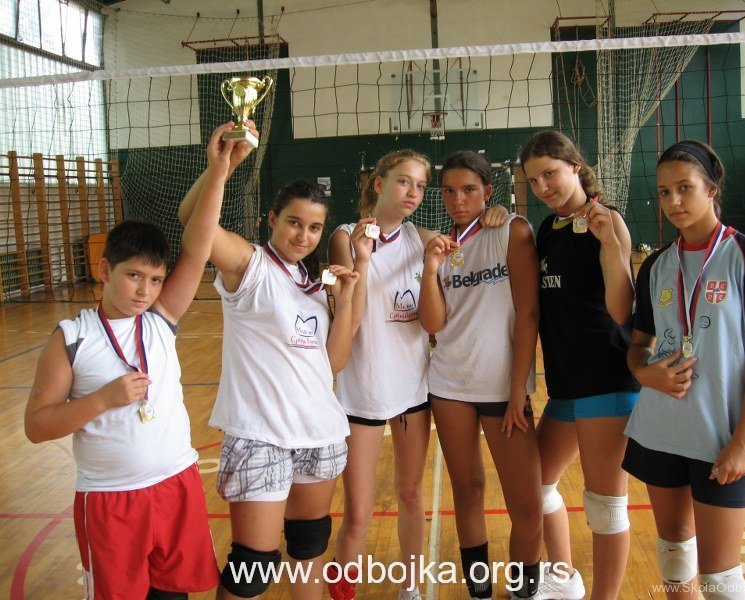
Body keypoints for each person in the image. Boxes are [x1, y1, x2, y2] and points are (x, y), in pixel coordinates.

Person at [23, 125, 236, 599]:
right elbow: (36, 427)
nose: (145, 290)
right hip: (110, 498)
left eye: (156, 280)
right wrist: (101, 400)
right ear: (105, 270)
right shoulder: (71, 338)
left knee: (174, 595)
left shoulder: (161, 318)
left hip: (176, 483)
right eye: (134, 276)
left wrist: (219, 170)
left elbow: (198, 246)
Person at [178, 124, 359, 600]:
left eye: (314, 227)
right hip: (261, 435)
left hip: (319, 433)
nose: (304, 235)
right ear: (272, 218)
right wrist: (221, 168)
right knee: (252, 567)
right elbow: (192, 222)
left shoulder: (313, 284)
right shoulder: (251, 264)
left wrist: (347, 301)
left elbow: (333, 363)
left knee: (308, 548)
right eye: (294, 223)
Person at [326, 150, 508, 600]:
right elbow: (351, 321)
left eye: (422, 186)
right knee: (359, 512)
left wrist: (496, 216)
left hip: (413, 391)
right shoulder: (345, 237)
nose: (413, 193)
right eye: (404, 182)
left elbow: (469, 246)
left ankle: (411, 588)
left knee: (410, 495)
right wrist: (363, 261)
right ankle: (341, 589)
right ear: (378, 184)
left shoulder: (421, 238)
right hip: (362, 392)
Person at [623, 140, 745, 599]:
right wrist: (644, 374)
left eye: (685, 188)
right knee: (674, 558)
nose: (673, 201)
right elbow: (638, 347)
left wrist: (743, 441)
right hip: (660, 430)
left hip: (720, 438)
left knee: (721, 579)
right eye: (664, 191)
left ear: (712, 190)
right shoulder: (656, 265)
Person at [519, 130, 638, 600]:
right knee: (536, 486)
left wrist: (610, 244)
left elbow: (622, 308)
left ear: (574, 165)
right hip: (566, 385)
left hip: (607, 380)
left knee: (605, 505)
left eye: (550, 173)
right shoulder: (548, 229)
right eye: (533, 180)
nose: (543, 187)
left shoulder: (607, 220)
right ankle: (565, 577)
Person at [417, 150, 543, 599]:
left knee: (526, 506)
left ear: (488, 191)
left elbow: (529, 313)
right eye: (449, 191)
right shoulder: (440, 246)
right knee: (467, 490)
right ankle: (479, 590)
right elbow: (433, 324)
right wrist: (430, 270)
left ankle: (523, 590)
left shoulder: (511, 230)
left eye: (469, 190)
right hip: (449, 384)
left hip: (503, 388)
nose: (458, 199)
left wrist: (517, 390)